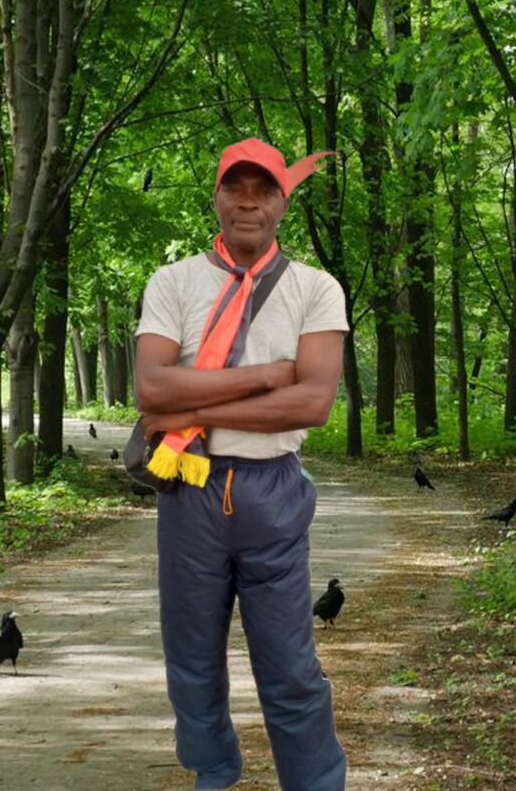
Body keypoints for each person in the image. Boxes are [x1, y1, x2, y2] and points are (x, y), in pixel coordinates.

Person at [134, 137, 348, 790]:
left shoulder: (315, 289)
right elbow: (152, 390)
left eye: (263, 190)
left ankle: (314, 781)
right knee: (191, 655)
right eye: (236, 187)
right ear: (218, 198)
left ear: (283, 202)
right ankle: (214, 767)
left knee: (289, 664)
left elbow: (312, 402)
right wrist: (264, 376)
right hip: (190, 486)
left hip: (271, 492)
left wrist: (195, 401)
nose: (249, 201)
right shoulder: (173, 282)